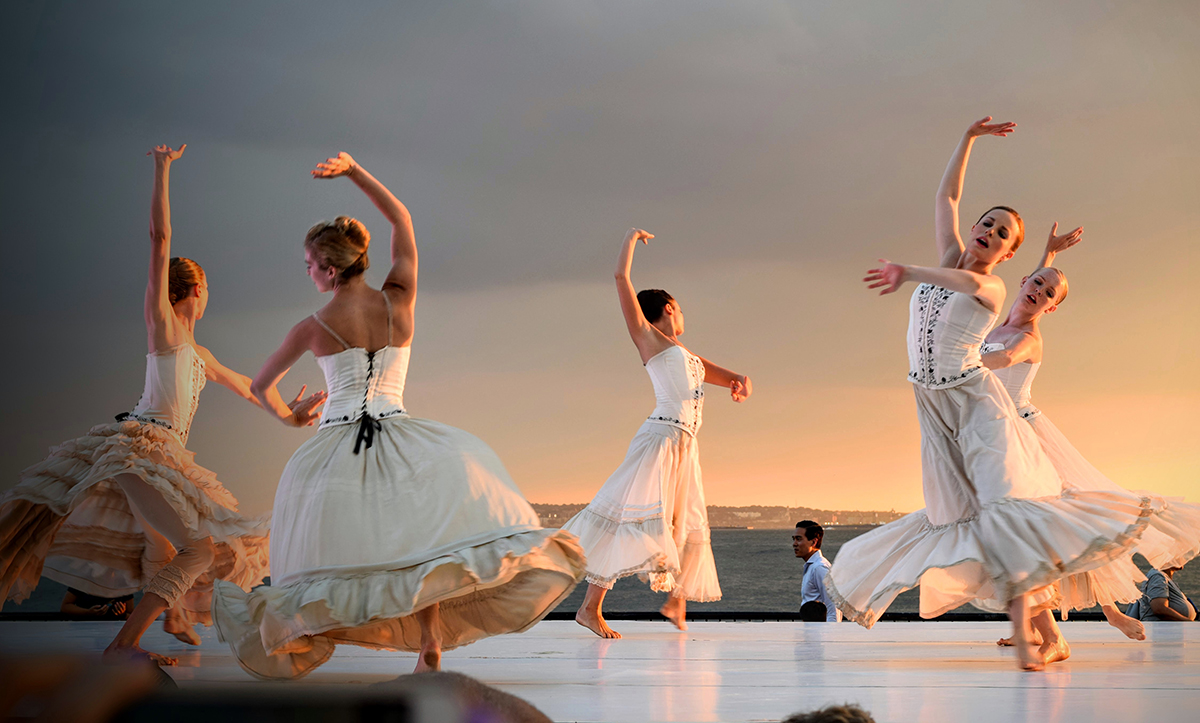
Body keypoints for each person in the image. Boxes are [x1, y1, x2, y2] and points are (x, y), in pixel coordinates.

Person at [211, 152, 586, 680]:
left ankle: (308, 635)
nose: (308, 272)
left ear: (331, 268)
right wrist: (354, 170)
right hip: (404, 433)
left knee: (343, 552)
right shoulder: (399, 300)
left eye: (310, 265)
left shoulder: (313, 325)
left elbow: (258, 386)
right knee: (421, 547)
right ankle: (429, 640)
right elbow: (402, 219)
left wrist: (294, 418)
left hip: (338, 442)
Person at [826, 117, 1154, 671]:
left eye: (1004, 235)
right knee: (962, 517)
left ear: (1009, 256)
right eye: (988, 223)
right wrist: (968, 139)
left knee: (1004, 513)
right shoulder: (956, 260)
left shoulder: (991, 284)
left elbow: (977, 290)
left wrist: (907, 271)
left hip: (979, 404)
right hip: (932, 409)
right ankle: (1046, 630)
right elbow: (945, 195)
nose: (991, 233)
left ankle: (1036, 638)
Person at [0, 145, 299, 665]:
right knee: (196, 549)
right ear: (197, 289)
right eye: (208, 290)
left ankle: (166, 619)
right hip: (141, 446)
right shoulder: (164, 327)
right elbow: (160, 239)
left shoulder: (199, 353)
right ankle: (127, 645)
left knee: (163, 550)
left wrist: (292, 412)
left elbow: (250, 387)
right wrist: (163, 168)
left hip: (159, 452)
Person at [984, 226, 1200, 656]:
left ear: (1052, 308)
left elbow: (994, 361)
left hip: (1026, 439)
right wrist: (1049, 253)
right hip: (994, 436)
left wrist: (951, 357)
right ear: (1025, 279)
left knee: (1066, 528)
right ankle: (1031, 624)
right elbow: (1039, 279)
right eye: (1037, 282)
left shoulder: (1027, 339)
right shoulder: (1001, 317)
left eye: (1050, 294)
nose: (1040, 291)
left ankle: (1103, 616)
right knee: (1019, 534)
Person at [560, 228, 752, 639]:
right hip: (660, 440)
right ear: (668, 308)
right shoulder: (648, 339)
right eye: (679, 309)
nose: (683, 316)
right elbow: (620, 280)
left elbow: (707, 369)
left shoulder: (681, 353)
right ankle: (589, 608)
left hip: (685, 445)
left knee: (683, 520)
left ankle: (674, 601)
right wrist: (630, 240)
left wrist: (737, 377)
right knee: (625, 519)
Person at [793, 521, 839, 622]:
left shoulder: (819, 568)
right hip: (814, 633)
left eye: (799, 539)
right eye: (794, 539)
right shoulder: (813, 567)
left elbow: (834, 608)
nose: (794, 544)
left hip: (820, 635)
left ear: (814, 542)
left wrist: (830, 635)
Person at [1131, 566, 1197, 622]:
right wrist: (1189, 623)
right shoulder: (1157, 576)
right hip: (1160, 632)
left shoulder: (1164, 577)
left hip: (1169, 632)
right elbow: (1159, 609)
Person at [60, 589, 133, 620]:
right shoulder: (83, 581)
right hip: (84, 629)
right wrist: (87, 612)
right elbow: (65, 607)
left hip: (114, 633)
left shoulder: (123, 585)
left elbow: (132, 616)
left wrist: (122, 615)